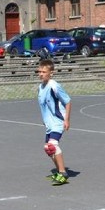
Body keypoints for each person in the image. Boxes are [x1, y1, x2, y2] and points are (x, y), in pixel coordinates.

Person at [37, 58, 72, 186]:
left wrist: (67, 120)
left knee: (52, 146)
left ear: (51, 72)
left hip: (58, 122)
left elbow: (67, 101)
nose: (41, 74)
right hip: (49, 124)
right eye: (39, 71)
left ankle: (63, 173)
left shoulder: (54, 86)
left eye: (44, 72)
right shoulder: (40, 87)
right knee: (47, 149)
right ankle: (59, 171)